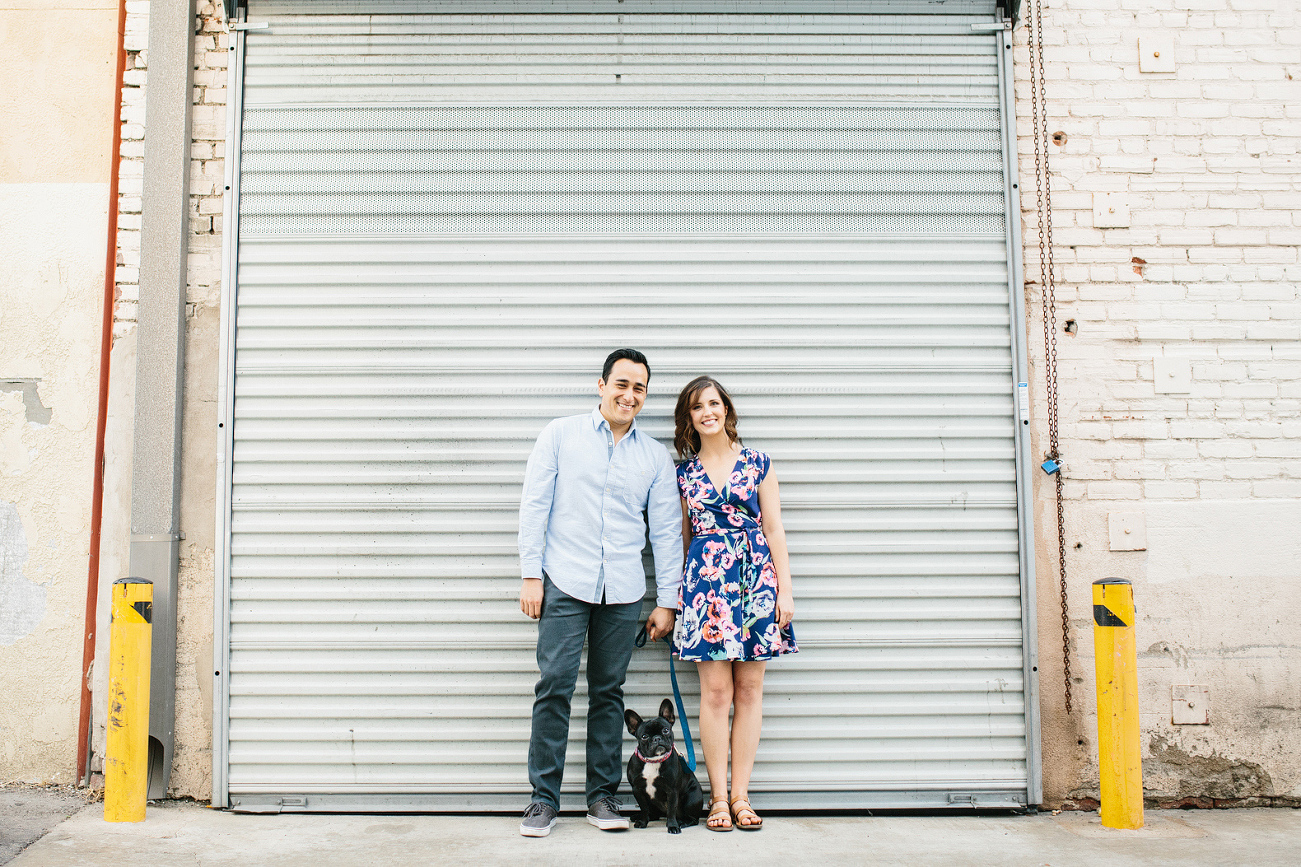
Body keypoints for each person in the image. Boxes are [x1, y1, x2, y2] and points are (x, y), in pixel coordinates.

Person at [517, 349, 684, 838]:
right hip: (564, 583)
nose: (629, 395)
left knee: (608, 695)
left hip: (625, 592)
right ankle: (542, 801)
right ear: (601, 384)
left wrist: (667, 600)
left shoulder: (653, 456)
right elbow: (535, 506)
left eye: (639, 388)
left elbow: (668, 534)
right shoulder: (560, 435)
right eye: (622, 384)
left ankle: (602, 798)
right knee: (554, 688)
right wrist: (531, 575)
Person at [672, 375, 797, 832]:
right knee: (716, 693)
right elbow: (682, 541)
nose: (707, 412)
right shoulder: (684, 475)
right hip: (707, 588)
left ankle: (742, 796)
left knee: (749, 691)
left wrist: (785, 590)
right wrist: (679, 600)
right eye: (697, 407)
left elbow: (775, 530)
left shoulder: (759, 463)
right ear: (689, 419)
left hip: (756, 584)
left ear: (726, 408)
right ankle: (718, 801)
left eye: (714, 403)